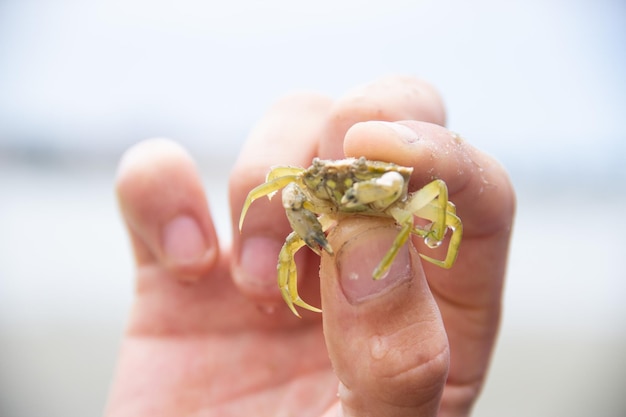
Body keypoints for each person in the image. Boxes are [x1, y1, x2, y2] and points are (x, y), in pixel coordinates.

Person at [105, 75, 515, 417]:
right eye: (328, 178)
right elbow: (285, 189)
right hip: (354, 222)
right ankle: (295, 297)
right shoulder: (317, 185)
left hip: (396, 201)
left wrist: (432, 237)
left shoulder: (400, 186)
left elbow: (439, 201)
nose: (345, 184)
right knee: (287, 243)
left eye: (362, 177)